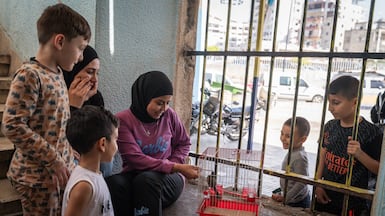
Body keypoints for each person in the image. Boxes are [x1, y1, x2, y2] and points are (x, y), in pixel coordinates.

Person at [0, 3, 91, 215]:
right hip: (36, 179)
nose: (80, 57)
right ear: (60, 41)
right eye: (80, 48)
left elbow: (55, 122)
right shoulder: (29, 75)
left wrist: (67, 151)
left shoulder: (58, 74)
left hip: (56, 173)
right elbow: (12, 125)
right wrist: (53, 158)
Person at [106, 71, 199, 216]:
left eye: (168, 103)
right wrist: (175, 166)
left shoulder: (169, 115)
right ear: (144, 97)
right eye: (159, 103)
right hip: (135, 174)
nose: (164, 109)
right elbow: (135, 159)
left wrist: (173, 165)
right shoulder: (122, 120)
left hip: (168, 177)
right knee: (114, 183)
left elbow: (184, 143)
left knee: (146, 181)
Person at [314, 75, 383, 215]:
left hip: (352, 201)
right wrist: (318, 184)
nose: (330, 108)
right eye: (329, 102)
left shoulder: (371, 132)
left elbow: (380, 171)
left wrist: (360, 154)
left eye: (336, 102)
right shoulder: (329, 126)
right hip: (325, 196)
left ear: (355, 102)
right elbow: (322, 156)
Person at [62, 45, 117, 177]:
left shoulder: (96, 97)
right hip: (63, 152)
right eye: (89, 72)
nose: (95, 80)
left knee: (105, 159)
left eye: (97, 73)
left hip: (86, 149)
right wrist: (73, 107)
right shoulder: (57, 94)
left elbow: (101, 132)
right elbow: (58, 134)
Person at [62, 105, 118, 216]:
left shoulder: (94, 175)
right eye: (116, 139)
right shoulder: (84, 186)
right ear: (102, 144)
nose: (117, 145)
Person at [271, 117, 311, 208]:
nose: (283, 138)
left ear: (303, 139)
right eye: (282, 134)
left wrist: (285, 197)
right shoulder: (293, 151)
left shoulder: (300, 157)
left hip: (298, 202)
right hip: (292, 198)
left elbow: (302, 182)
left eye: (288, 136)